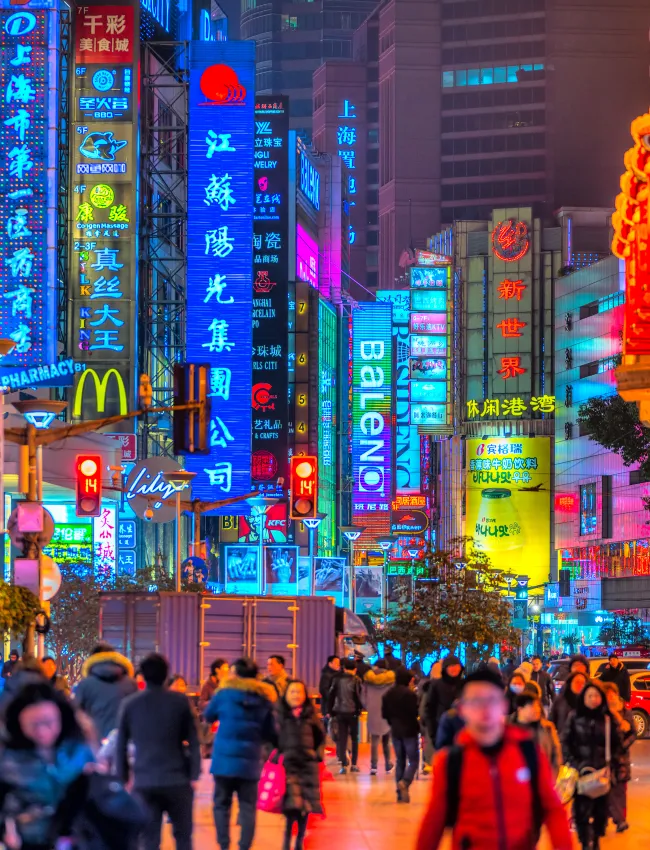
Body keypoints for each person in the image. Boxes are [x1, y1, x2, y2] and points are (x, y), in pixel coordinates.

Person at [416, 669, 572, 850]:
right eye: (475, 701)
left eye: (492, 700)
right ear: (462, 709)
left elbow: (553, 809)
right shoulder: (450, 762)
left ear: (504, 705)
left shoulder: (528, 752)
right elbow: (434, 822)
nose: (484, 709)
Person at [116, 653, 200, 850]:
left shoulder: (130, 704)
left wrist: (124, 777)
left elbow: (120, 744)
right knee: (183, 838)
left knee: (149, 839)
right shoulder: (180, 702)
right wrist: (194, 773)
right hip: (177, 780)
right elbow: (194, 740)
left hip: (144, 781)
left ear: (142, 676)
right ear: (166, 675)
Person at [0, 681, 95, 850]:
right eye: (33, 725)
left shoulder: (80, 753)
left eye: (49, 722)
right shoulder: (8, 761)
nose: (42, 732)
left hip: (78, 841)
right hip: (29, 842)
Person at [204, 657, 278, 850]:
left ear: (234, 673)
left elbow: (208, 715)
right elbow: (270, 732)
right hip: (250, 762)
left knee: (221, 804)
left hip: (223, 761)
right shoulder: (263, 699)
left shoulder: (223, 694)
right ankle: (244, 846)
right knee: (247, 807)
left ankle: (224, 845)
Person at [561, 680, 622, 850]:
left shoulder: (608, 718)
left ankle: (595, 839)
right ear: (583, 698)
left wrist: (614, 766)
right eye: (589, 695)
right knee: (581, 812)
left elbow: (618, 744)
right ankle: (584, 843)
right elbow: (565, 742)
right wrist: (573, 762)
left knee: (600, 813)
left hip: (602, 772)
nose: (593, 699)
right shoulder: (574, 716)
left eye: (596, 695)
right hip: (581, 773)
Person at [277, 681, 324, 850]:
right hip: (288, 767)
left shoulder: (311, 715)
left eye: (299, 692)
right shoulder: (279, 715)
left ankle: (299, 842)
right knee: (291, 807)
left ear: (305, 695)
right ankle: (286, 842)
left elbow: (320, 737)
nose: (296, 695)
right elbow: (270, 739)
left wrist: (316, 754)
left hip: (307, 767)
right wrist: (275, 756)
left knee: (305, 806)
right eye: (292, 692)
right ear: (286, 695)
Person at [74, 643, 137, 740]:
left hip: (94, 745)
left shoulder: (85, 685)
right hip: (124, 743)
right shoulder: (131, 684)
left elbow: (77, 717)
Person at [381, 668, 420, 803]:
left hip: (395, 730)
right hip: (409, 730)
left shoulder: (388, 694)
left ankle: (400, 794)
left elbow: (384, 714)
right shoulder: (410, 695)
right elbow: (415, 712)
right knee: (414, 760)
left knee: (400, 761)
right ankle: (405, 781)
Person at [602, 682, 635, 834]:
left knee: (620, 790)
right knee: (602, 790)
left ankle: (620, 820)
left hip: (620, 758)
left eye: (612, 694)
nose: (610, 697)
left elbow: (632, 733)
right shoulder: (600, 712)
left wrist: (624, 745)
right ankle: (603, 820)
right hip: (602, 758)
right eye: (607, 694)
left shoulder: (625, 712)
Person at [510, 686, 562, 778]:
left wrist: (551, 778)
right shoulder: (508, 729)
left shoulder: (547, 728)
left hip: (543, 779)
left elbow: (556, 755)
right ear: (520, 709)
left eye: (538, 705)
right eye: (532, 706)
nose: (537, 709)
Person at [328, 658, 363, 774]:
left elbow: (331, 695)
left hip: (339, 712)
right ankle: (354, 764)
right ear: (355, 669)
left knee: (342, 738)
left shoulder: (337, 679)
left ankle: (343, 764)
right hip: (352, 713)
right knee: (354, 738)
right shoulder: (356, 680)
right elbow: (358, 697)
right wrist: (359, 710)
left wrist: (331, 711)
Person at [362, 659, 395, 776]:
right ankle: (387, 765)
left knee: (374, 741)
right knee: (386, 740)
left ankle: (374, 766)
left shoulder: (368, 680)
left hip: (373, 711)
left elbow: (363, 696)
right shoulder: (391, 680)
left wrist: (368, 706)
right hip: (387, 712)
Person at [423, 655, 464, 748]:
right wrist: (433, 734)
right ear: (445, 668)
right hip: (442, 732)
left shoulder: (465, 685)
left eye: (457, 666)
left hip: (462, 734)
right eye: (451, 666)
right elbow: (429, 710)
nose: (454, 669)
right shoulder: (436, 685)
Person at [550, 670, 588, 735]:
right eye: (577, 682)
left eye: (583, 683)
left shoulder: (588, 702)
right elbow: (551, 722)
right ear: (570, 683)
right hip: (563, 738)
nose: (580, 685)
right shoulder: (560, 700)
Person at [318, 655, 340, 720]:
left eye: (339, 663)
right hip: (328, 706)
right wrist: (332, 699)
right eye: (336, 663)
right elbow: (323, 690)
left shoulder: (336, 674)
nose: (338, 665)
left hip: (334, 705)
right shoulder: (326, 675)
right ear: (330, 663)